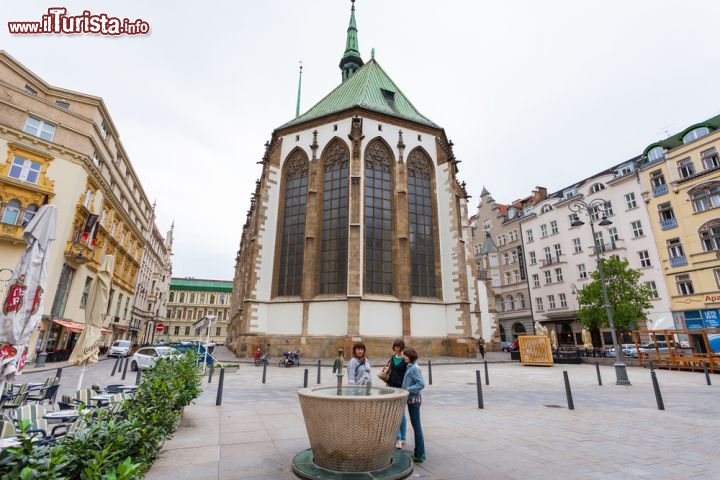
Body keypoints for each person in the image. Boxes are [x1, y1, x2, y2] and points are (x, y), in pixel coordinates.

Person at [401, 346, 426, 463]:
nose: (404, 357)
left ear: (410, 356)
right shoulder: (410, 366)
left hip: (414, 401)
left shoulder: (414, 368)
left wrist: (407, 389)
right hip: (412, 400)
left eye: (405, 355)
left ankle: (420, 454)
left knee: (417, 427)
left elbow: (421, 384)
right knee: (417, 427)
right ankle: (419, 452)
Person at [386, 338, 408, 449]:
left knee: (401, 414)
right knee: (394, 414)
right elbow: (390, 371)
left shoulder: (405, 359)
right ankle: (398, 438)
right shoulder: (393, 357)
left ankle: (402, 438)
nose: (396, 348)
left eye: (398, 346)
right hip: (391, 387)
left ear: (402, 347)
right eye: (395, 346)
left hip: (401, 389)